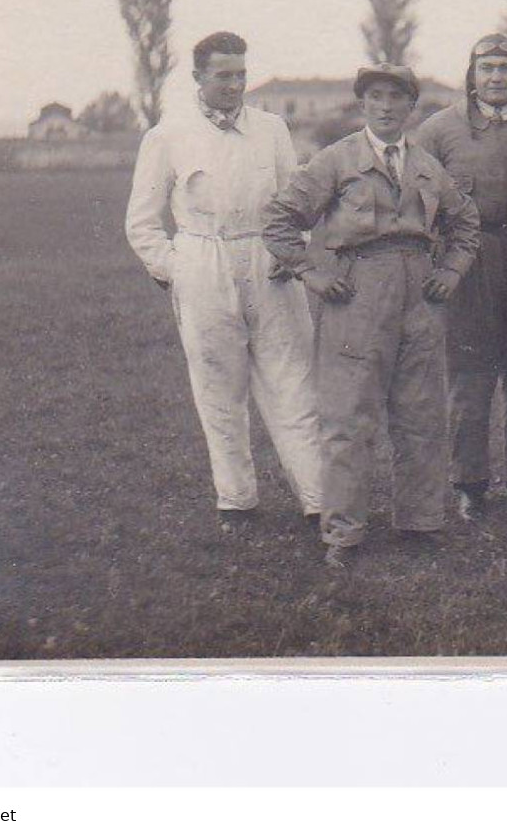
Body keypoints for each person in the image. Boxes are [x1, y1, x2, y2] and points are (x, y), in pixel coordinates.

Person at [262, 63, 480, 565]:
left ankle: (421, 523)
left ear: (411, 107)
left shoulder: (426, 166)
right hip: (355, 293)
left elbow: (465, 223)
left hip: (420, 294)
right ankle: (343, 533)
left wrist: (451, 270)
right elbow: (278, 220)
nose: (385, 106)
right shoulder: (336, 161)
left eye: (396, 98)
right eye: (375, 97)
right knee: (347, 418)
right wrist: (311, 271)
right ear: (362, 104)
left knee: (421, 412)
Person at [124, 31, 324, 531]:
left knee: (293, 383)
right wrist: (177, 270)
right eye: (223, 76)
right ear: (198, 77)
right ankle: (237, 501)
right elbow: (142, 223)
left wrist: (289, 250)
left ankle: (319, 500)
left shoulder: (272, 129)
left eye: (241, 74)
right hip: (203, 263)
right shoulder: (168, 135)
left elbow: (292, 201)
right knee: (219, 390)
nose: (235, 85)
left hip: (269, 264)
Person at [412, 33, 507, 520]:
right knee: (471, 376)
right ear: (472, 75)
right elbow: (416, 199)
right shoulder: (440, 131)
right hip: (471, 261)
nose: (496, 78)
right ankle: (469, 483)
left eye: (504, 68)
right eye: (486, 68)